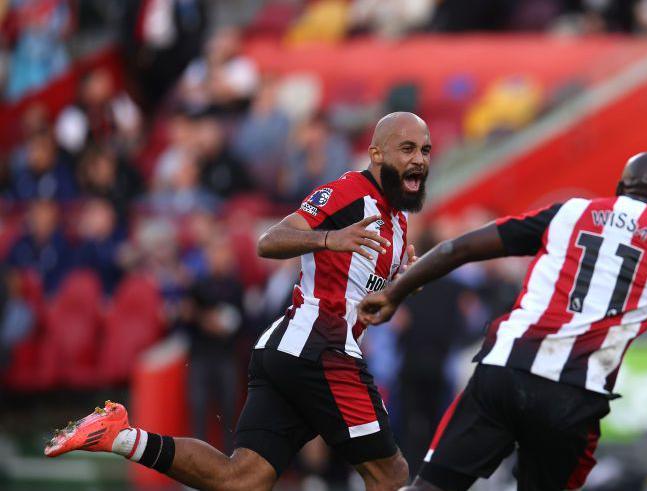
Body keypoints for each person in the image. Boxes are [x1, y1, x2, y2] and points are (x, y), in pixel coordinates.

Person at [43, 112, 432, 491]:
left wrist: (397, 287)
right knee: (390, 473)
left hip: (294, 347)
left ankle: (122, 437)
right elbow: (271, 240)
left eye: (426, 150)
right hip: (320, 345)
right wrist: (329, 238)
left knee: (243, 479)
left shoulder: (396, 219)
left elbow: (361, 302)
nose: (419, 159)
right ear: (376, 153)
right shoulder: (350, 192)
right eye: (408, 148)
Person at [358, 152, 647, 491]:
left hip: (506, 368)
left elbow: (456, 248)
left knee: (431, 486)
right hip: (572, 395)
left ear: (619, 188)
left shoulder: (572, 211)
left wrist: (395, 293)